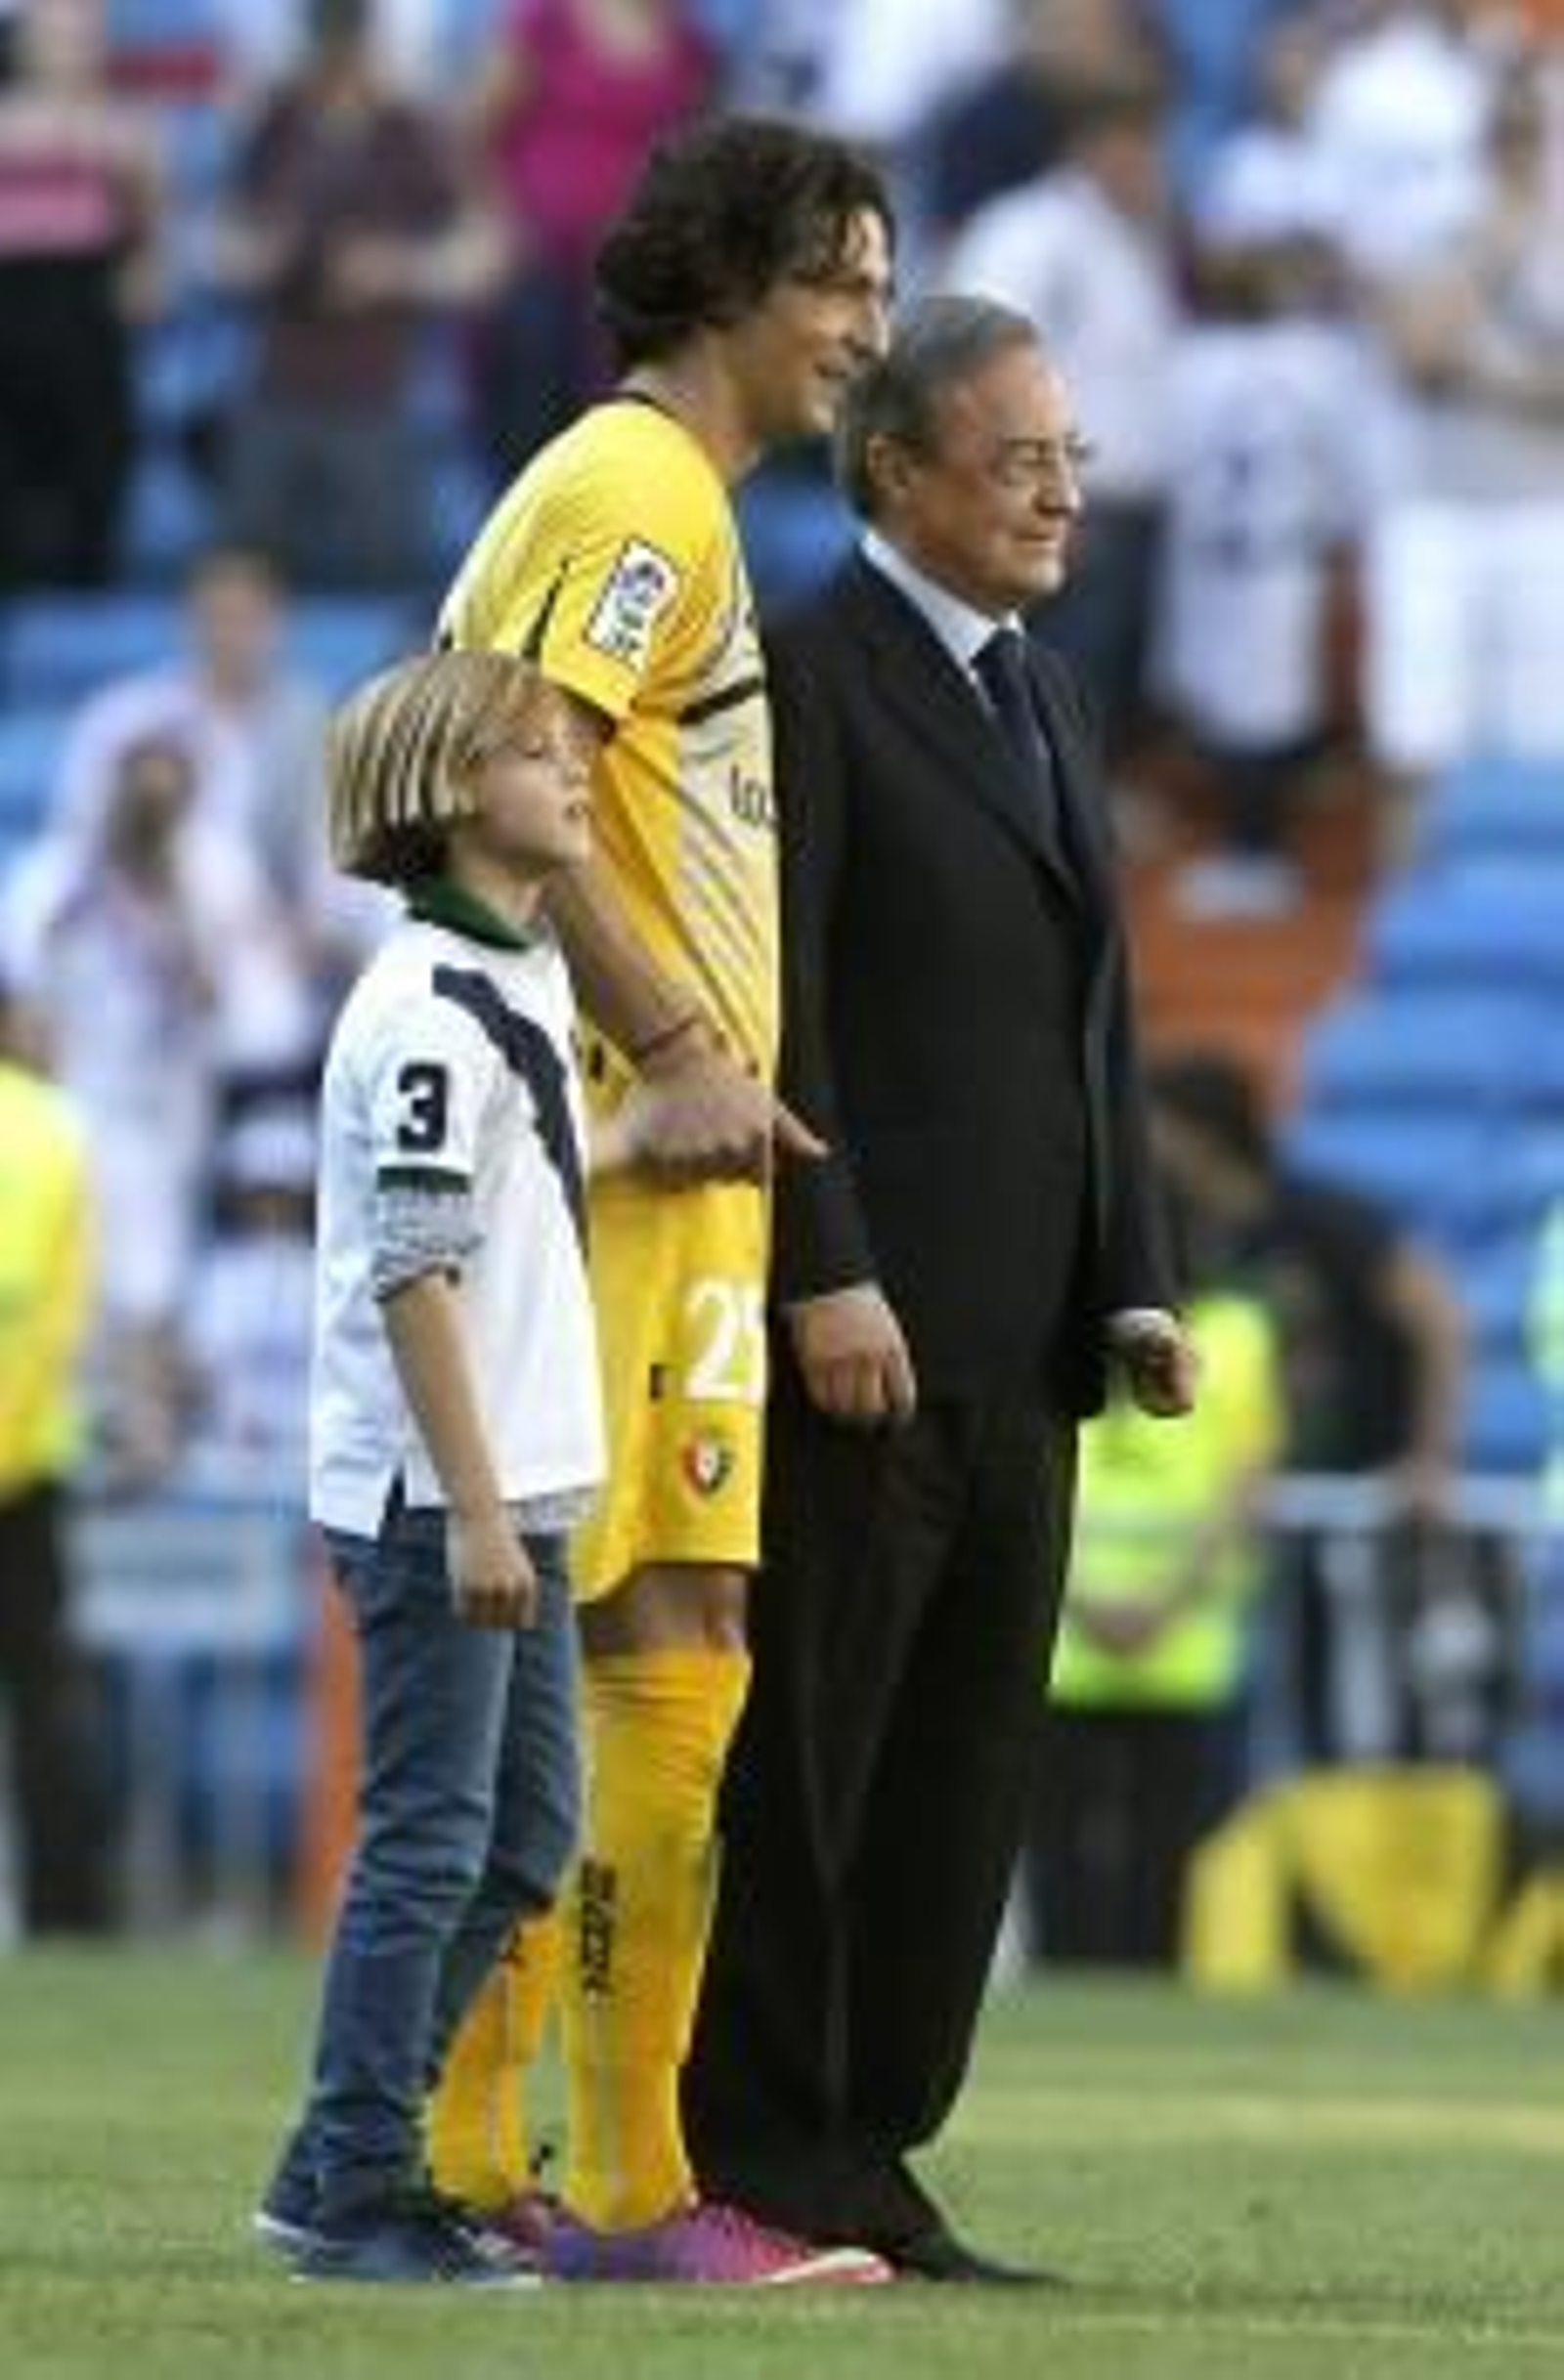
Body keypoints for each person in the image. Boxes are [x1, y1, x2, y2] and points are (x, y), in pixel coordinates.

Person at [681, 293, 1197, 2282]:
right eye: (1020, 455)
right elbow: (777, 994)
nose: (1062, 487)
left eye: (1070, 453)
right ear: (895, 468)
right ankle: (756, 2150)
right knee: (815, 1753)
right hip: (869, 1333)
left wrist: (1132, 1275)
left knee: (959, 1770)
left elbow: (1099, 1020)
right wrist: (826, 1264)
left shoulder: (1047, 693)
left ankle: (872, 2152)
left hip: (1030, 1334)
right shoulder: (800, 672)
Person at [426, 111, 896, 2285]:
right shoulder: (637, 493)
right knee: (608, 1637)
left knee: (665, 1631)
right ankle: (528, 2168)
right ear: (725, 278)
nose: (861, 334)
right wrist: (681, 1040)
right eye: (840, 285)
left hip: (664, 1157)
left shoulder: (657, 497)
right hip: (621, 1143)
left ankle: (560, 2172)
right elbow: (499, 756)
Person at [257, 648, 613, 2286]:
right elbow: (415, 1266)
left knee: (527, 1835)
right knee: (428, 1834)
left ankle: (335, 2144)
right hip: (438, 1492)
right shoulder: (421, 1006)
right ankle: (358, 2183)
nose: (580, 776)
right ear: (457, 790)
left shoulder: (517, 972)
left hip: (518, 1482)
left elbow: (501, 1189)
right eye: (547, 755)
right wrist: (472, 1505)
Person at [1148, 1049, 1467, 1761]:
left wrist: (1430, 1456)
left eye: (1158, 1124)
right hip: (1242, 1502)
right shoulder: (1176, 1233)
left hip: (1351, 1499)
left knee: (1344, 1696)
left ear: (1202, 1133)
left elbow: (1440, 1318)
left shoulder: (1323, 1216)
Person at [0, 977, 109, 1936]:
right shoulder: (53, 1129)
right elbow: (56, 1313)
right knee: (45, 1701)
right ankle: (66, 1911)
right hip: (26, 1459)